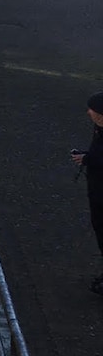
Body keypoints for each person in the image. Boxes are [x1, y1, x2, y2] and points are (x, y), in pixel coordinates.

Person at [73, 93, 103, 292]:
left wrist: (87, 159)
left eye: (92, 109)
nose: (88, 112)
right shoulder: (98, 129)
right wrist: (87, 156)